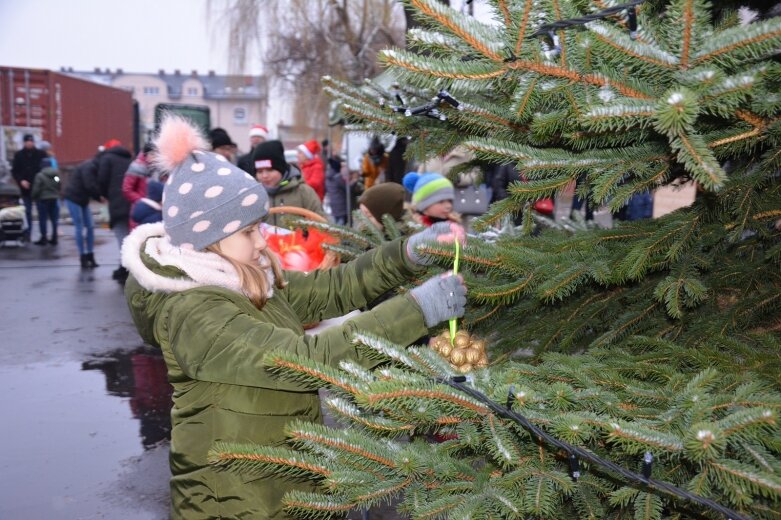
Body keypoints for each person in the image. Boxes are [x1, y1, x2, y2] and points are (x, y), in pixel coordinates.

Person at [121, 115, 467, 519]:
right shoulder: (194, 312)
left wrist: (407, 254)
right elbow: (303, 361)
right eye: (249, 231)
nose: (261, 239)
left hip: (279, 476)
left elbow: (334, 288)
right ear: (207, 239)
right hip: (231, 497)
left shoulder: (246, 278)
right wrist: (416, 309)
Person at [253, 139, 326, 226]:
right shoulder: (254, 196)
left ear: (281, 169)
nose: (264, 176)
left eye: (270, 170)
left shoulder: (303, 192)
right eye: (259, 171)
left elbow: (321, 223)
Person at [97, 138, 133, 282]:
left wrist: (104, 194)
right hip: (131, 201)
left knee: (121, 235)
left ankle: (125, 268)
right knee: (130, 236)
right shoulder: (129, 159)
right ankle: (126, 267)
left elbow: (102, 180)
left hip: (117, 201)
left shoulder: (107, 159)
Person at [64, 150, 103, 268]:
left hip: (82, 199)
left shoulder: (93, 166)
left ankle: (90, 254)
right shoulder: (89, 167)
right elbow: (89, 184)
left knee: (90, 226)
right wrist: (100, 197)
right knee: (79, 227)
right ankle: (83, 256)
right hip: (73, 198)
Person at [11, 134, 47, 241]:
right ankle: (28, 234)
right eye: (27, 141)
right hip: (25, 188)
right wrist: (21, 180)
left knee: (42, 212)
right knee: (27, 212)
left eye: (31, 141)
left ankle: (43, 235)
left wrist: (41, 182)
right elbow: (15, 171)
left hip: (39, 188)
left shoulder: (41, 154)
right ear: (24, 142)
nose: (29, 143)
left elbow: (46, 169)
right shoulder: (19, 155)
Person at [123, 142, 156, 230]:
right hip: (141, 209)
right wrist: (141, 201)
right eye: (152, 154)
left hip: (155, 209)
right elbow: (127, 189)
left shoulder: (157, 168)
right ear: (146, 154)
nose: (154, 157)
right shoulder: (136, 167)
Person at [30, 158, 61, 245]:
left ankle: (44, 238)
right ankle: (54, 238)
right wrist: (56, 192)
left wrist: (33, 196)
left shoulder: (39, 175)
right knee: (54, 219)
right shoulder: (55, 175)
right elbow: (59, 184)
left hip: (43, 199)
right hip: (54, 198)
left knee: (43, 219)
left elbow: (36, 188)